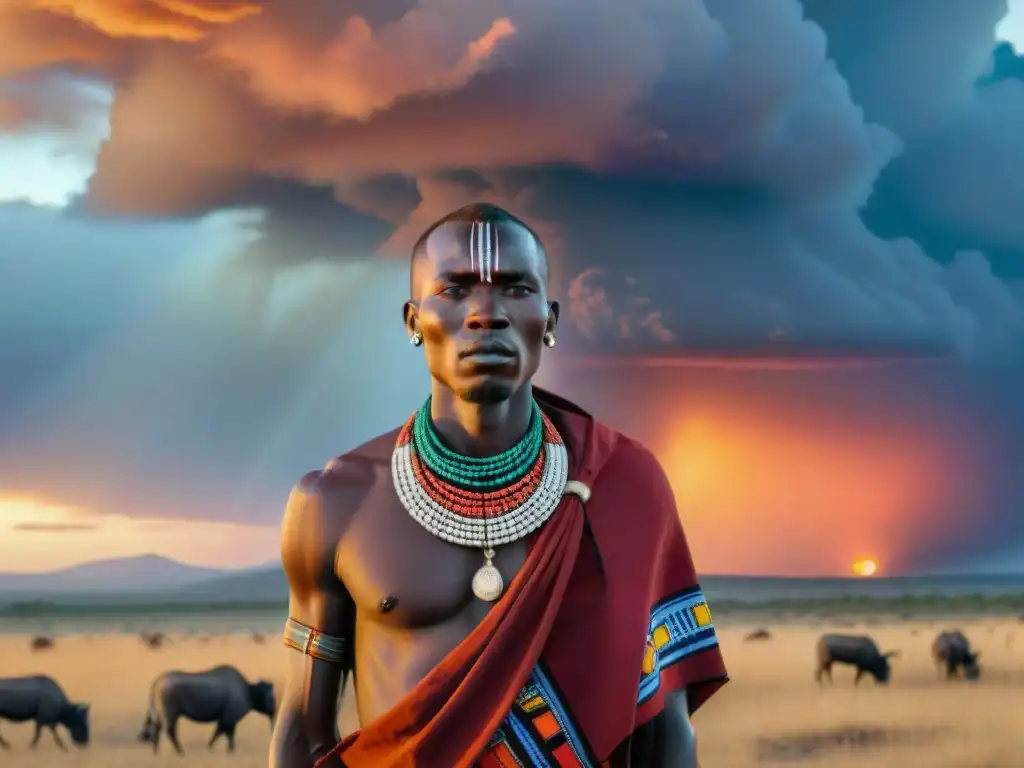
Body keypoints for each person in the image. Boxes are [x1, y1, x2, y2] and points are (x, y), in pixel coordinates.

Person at [269, 203, 728, 768]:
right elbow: (300, 731)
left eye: (515, 289)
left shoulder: (624, 488)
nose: (487, 313)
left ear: (551, 321)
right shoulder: (333, 504)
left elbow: (666, 737)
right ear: (414, 322)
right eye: (455, 290)